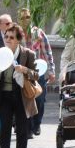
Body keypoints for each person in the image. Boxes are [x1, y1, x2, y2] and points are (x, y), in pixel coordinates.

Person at [0, 23, 39, 148]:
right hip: (4, 95)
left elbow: (36, 75)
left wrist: (24, 69)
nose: (8, 39)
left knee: (22, 128)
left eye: (11, 37)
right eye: (6, 36)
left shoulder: (27, 54)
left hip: (21, 95)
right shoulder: (0, 53)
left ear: (18, 39)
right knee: (4, 128)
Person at [18, 8, 55, 138]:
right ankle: (27, 128)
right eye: (22, 18)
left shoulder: (39, 33)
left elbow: (47, 52)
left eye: (27, 17)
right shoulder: (16, 33)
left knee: (39, 99)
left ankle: (37, 124)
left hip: (39, 71)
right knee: (26, 100)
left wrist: (51, 70)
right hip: (22, 72)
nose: (25, 20)